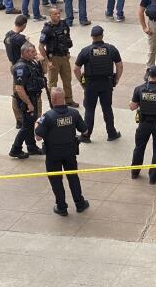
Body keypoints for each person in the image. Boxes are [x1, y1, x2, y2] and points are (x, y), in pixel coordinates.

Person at [33, 87, 89, 216]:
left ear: (52, 100)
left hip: (53, 154)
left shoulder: (47, 116)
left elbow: (38, 137)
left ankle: (61, 207)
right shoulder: (74, 113)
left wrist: (37, 123)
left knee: (56, 180)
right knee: (73, 177)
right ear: (63, 98)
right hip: (70, 152)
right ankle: (80, 203)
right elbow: (85, 131)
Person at [73, 26, 123, 143]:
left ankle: (86, 136)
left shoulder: (86, 51)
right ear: (102, 35)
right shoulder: (111, 49)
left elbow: (76, 69)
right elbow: (119, 66)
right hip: (106, 83)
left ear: (92, 36)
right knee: (107, 109)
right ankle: (111, 133)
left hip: (91, 84)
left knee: (90, 110)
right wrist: (116, 79)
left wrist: (82, 81)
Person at [130, 65, 156, 183]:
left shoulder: (139, 89)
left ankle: (135, 172)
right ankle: (153, 176)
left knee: (139, 148)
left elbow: (132, 107)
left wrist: (141, 102)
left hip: (143, 123)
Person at [10, 43, 46, 159]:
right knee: (26, 126)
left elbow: (43, 73)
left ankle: (31, 147)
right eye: (32, 52)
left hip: (33, 97)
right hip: (27, 100)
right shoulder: (20, 67)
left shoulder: (31, 63)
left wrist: (42, 61)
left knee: (30, 124)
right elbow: (19, 88)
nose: (35, 54)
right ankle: (15, 149)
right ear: (25, 53)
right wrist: (28, 103)